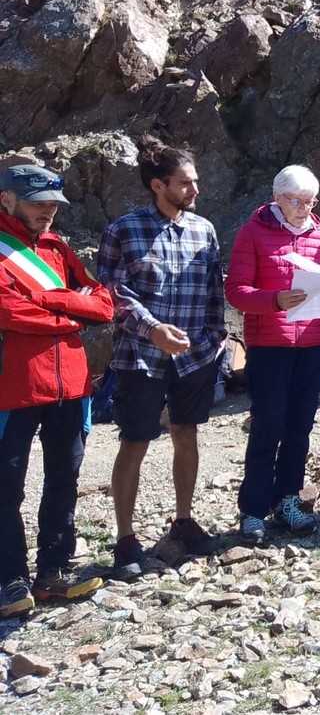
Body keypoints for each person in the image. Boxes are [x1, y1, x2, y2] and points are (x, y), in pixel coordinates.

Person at [98, 136, 226, 580]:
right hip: (140, 356)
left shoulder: (204, 230)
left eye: (195, 181)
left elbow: (215, 291)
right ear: (158, 185)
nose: (195, 190)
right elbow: (114, 294)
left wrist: (214, 339)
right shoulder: (123, 230)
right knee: (135, 441)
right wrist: (152, 329)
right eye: (185, 183)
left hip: (195, 357)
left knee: (187, 433)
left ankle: (184, 521)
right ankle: (125, 538)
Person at [0, 165, 113, 617]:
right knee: (6, 488)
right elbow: (9, 312)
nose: (48, 211)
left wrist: (50, 299)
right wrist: (71, 315)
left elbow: (103, 304)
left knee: (64, 480)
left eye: (53, 204)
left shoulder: (57, 248)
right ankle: (9, 580)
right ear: (6, 200)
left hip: (70, 384)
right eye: (37, 203)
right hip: (13, 388)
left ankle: (53, 571)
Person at [225, 166, 320, 543]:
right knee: (267, 426)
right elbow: (235, 290)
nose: (304, 209)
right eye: (297, 202)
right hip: (269, 346)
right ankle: (253, 510)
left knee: (300, 428)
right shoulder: (253, 232)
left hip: (312, 344)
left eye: (310, 202)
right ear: (277, 198)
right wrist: (275, 300)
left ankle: (288, 501)